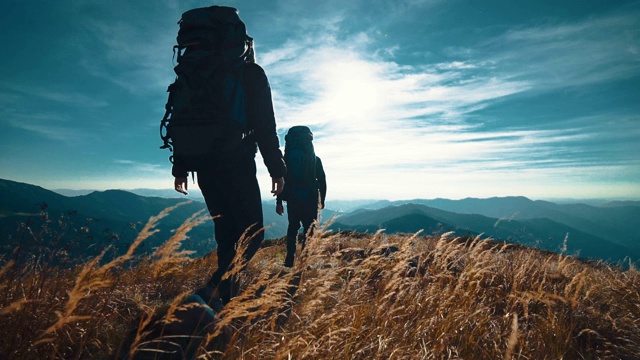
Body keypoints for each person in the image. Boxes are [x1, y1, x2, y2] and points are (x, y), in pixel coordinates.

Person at [172, 7, 286, 307]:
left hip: (201, 164)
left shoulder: (192, 73)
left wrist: (180, 166)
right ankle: (212, 293)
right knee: (253, 234)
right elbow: (265, 126)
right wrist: (277, 168)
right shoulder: (250, 74)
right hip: (235, 160)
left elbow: (181, 117)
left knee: (226, 234)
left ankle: (224, 296)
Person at [276, 127, 326, 267]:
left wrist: (279, 202)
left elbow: (281, 180)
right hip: (310, 197)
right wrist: (322, 200)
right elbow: (322, 180)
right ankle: (305, 261)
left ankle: (289, 259)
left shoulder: (286, 160)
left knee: (293, 227)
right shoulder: (315, 160)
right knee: (309, 229)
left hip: (293, 197)